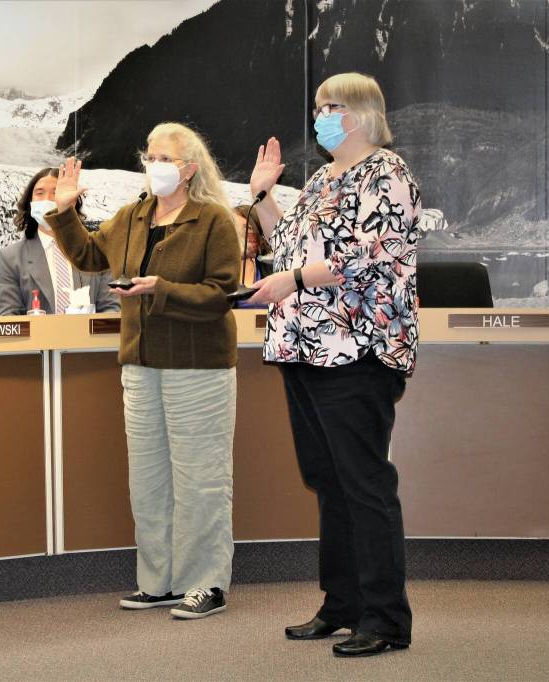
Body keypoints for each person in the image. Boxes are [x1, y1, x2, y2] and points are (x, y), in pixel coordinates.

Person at [245, 72, 420, 657]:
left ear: (364, 114)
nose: (321, 114)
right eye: (317, 106)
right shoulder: (322, 178)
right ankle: (342, 605)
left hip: (358, 349)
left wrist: (289, 280)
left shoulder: (388, 174)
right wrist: (265, 195)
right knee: (329, 481)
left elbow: (363, 256)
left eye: (333, 105)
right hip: (305, 346)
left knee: (364, 482)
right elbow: (289, 245)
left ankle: (386, 618)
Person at [44, 123, 240, 619]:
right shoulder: (132, 216)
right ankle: (161, 581)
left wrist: (160, 290)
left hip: (198, 366)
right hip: (140, 364)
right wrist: (65, 211)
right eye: (150, 155)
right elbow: (90, 256)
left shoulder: (213, 220)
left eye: (165, 158)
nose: (155, 165)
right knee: (148, 479)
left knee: (201, 479)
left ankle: (207, 583)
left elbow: (222, 294)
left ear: (189, 168)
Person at [0, 168, 119, 315]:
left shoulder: (97, 252)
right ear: (30, 203)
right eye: (39, 193)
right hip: (38, 338)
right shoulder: (11, 257)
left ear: (72, 201)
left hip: (87, 337)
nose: (47, 199)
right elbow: (7, 317)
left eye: (55, 193)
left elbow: (112, 309)